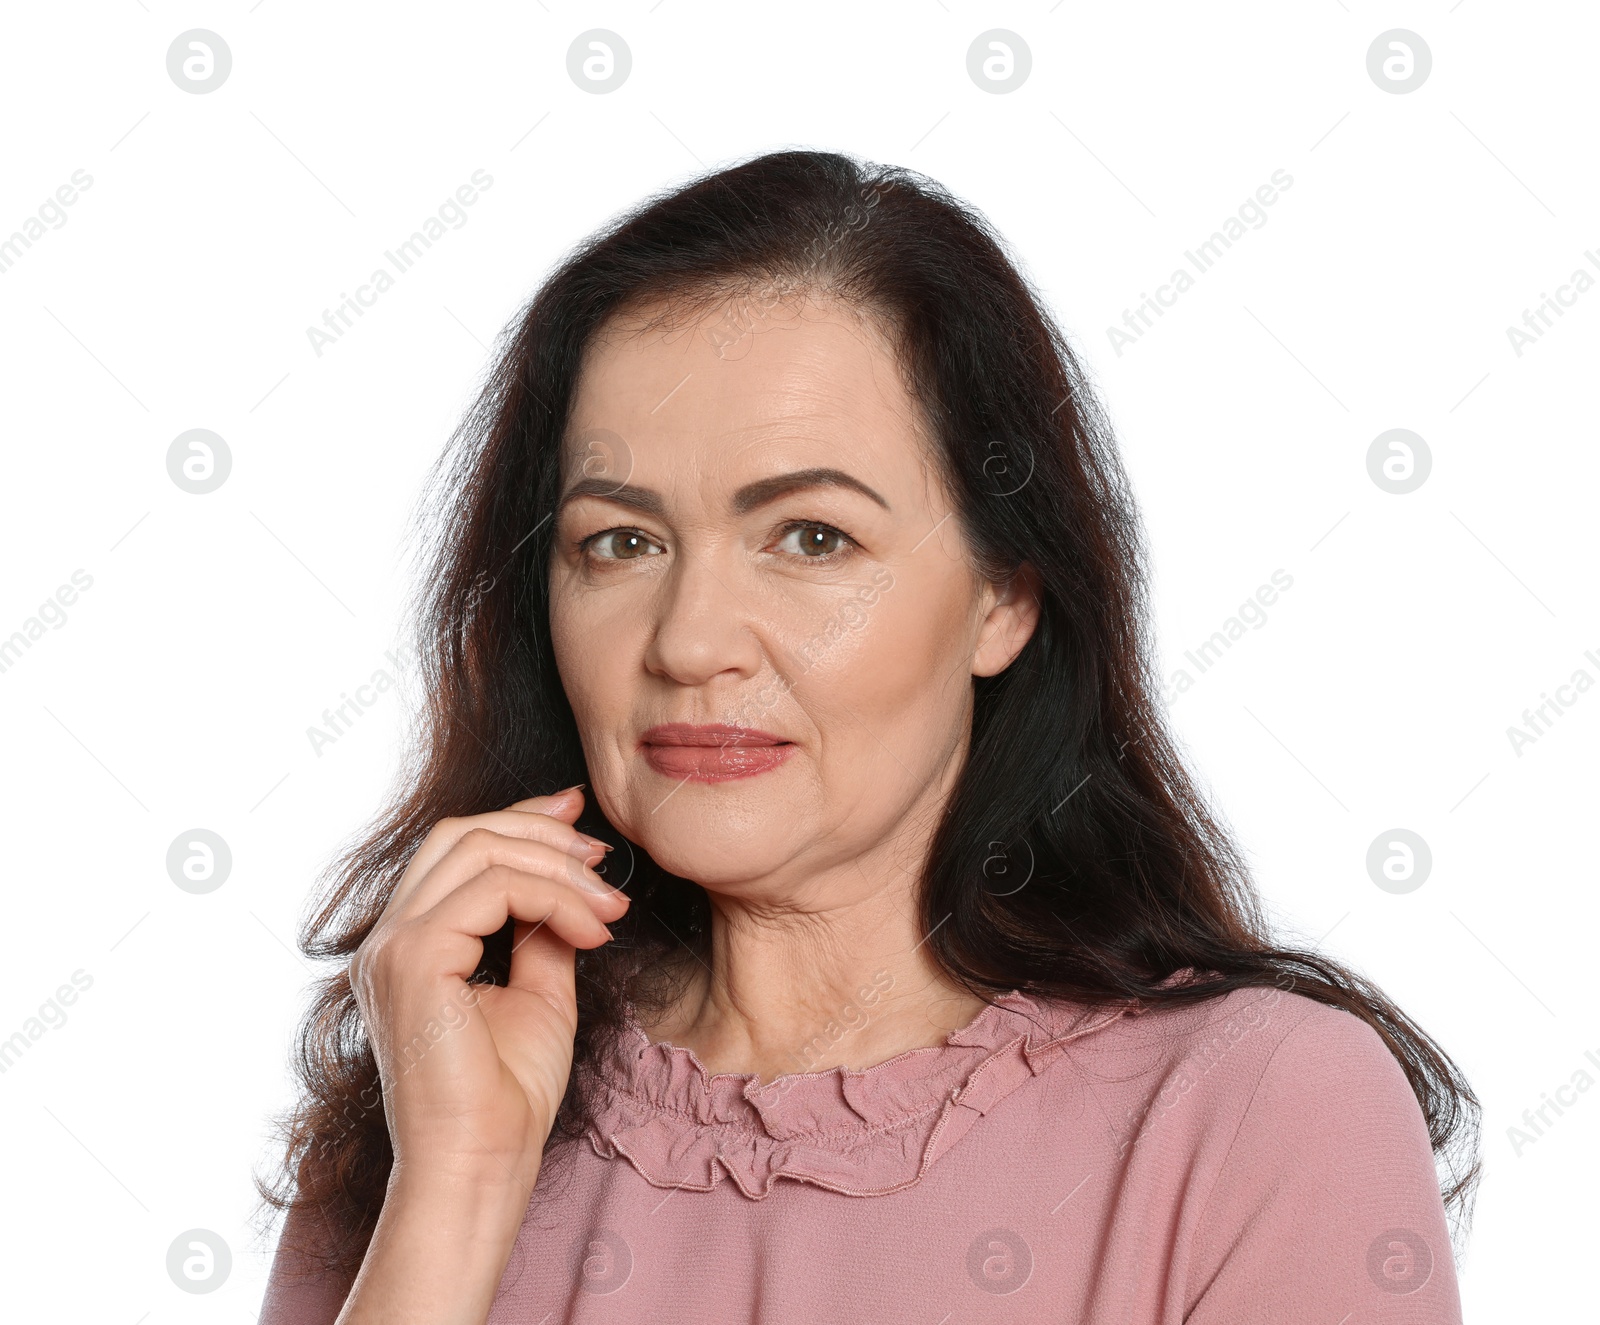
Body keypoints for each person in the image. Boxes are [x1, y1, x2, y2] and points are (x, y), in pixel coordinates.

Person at [257, 150, 1477, 1324]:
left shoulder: (1255, 1109)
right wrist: (457, 1186)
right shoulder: (438, 1095)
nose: (688, 640)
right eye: (620, 542)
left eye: (810, 537)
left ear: (1004, 595)